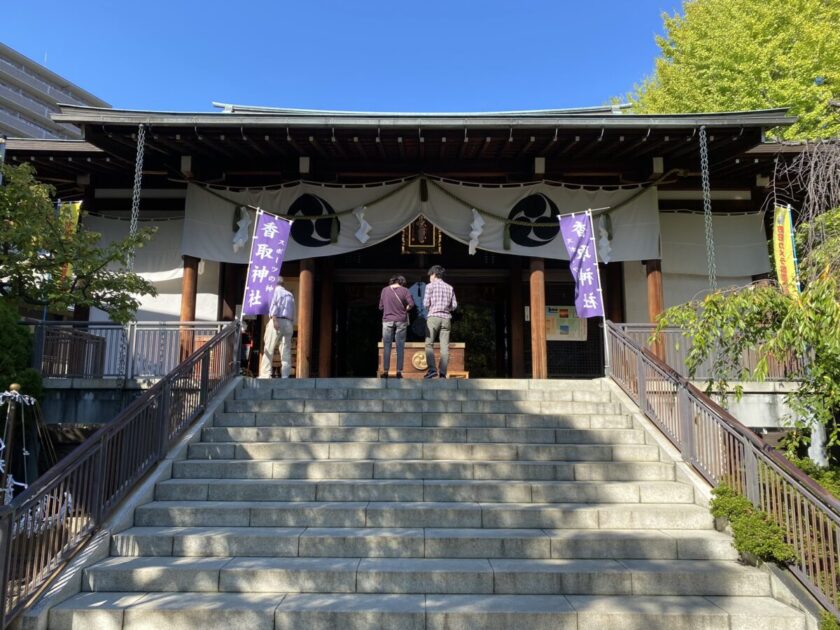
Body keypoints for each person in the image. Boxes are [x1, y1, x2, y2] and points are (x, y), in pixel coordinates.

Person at [423, 265, 457, 378]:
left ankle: (432, 370)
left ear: (434, 274)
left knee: (429, 344)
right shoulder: (450, 287)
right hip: (446, 318)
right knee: (444, 347)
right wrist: (447, 309)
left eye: (430, 275)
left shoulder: (429, 286)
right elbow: (454, 305)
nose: (429, 278)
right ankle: (442, 372)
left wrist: (432, 308)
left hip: (433, 317)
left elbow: (425, 304)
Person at [259, 276, 296, 378]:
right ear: (283, 284)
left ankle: (266, 374)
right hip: (288, 322)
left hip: (277, 320)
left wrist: (274, 320)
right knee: (286, 350)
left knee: (269, 347)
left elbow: (274, 306)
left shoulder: (275, 292)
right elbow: (293, 311)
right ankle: (285, 374)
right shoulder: (290, 295)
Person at [379, 274, 414, 378]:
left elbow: (380, 306)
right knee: (400, 346)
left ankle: (385, 371)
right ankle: (399, 371)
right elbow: (411, 304)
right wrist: (405, 308)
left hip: (387, 320)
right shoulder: (405, 290)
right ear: (402, 282)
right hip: (401, 321)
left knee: (387, 346)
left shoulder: (384, 290)